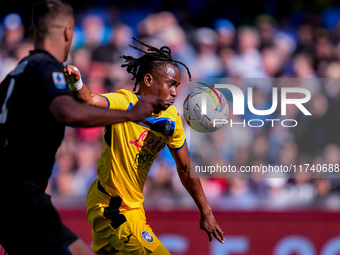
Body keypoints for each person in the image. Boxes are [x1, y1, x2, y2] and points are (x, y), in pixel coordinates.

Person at [0, 1, 159, 255]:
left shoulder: (12, 77)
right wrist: (130, 113)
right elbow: (67, 111)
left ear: (32, 32)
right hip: (23, 197)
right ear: (68, 32)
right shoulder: (46, 67)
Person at [64, 37, 225, 255]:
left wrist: (206, 210)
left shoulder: (171, 120)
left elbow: (185, 168)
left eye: (177, 86)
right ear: (149, 80)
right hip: (110, 205)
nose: (175, 93)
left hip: (135, 208)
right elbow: (90, 99)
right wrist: (76, 83)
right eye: (170, 85)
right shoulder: (125, 103)